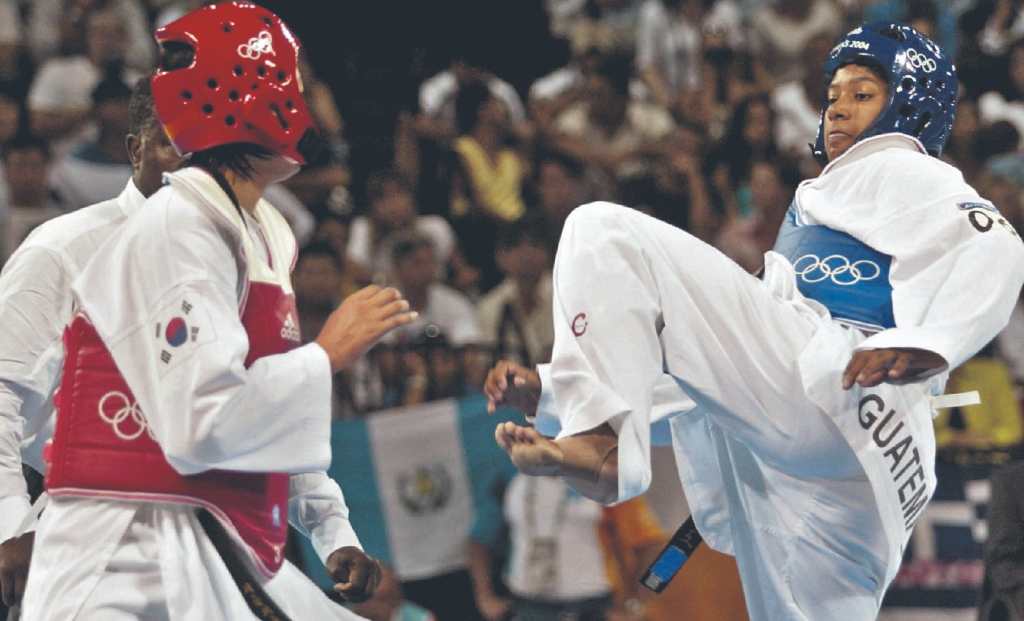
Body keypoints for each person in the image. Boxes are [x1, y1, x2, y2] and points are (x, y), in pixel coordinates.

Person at [484, 22, 1024, 620]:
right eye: (833, 96)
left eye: (862, 93)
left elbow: (994, 244)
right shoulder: (840, 199)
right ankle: (593, 417)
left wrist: (934, 342)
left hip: (836, 387)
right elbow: (713, 379)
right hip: (871, 475)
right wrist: (557, 390)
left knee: (603, 231)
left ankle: (602, 437)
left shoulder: (903, 167)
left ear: (909, 105)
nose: (838, 108)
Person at [19, 4, 417, 619]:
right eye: (292, 83)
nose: (304, 103)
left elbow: (272, 412)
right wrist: (328, 351)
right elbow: (204, 422)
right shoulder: (173, 226)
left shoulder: (257, 230)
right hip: (123, 553)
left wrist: (334, 530)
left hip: (211, 531)